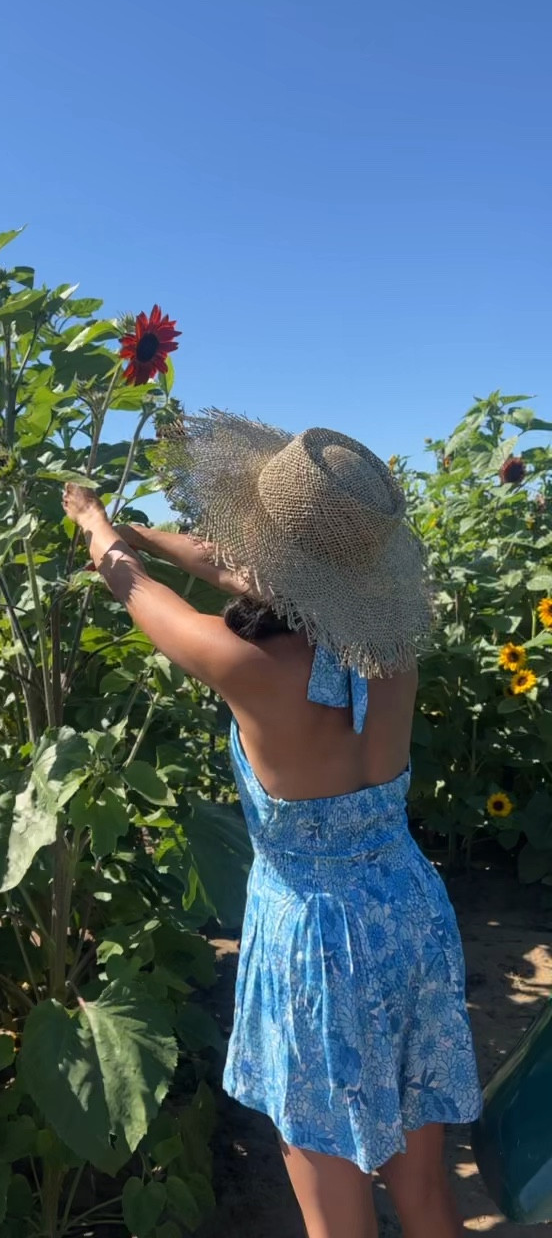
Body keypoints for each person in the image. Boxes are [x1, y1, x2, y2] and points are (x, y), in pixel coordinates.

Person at [62, 411, 482, 1238]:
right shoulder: (389, 647)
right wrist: (142, 533)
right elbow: (234, 571)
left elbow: (132, 589)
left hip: (317, 942)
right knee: (426, 1189)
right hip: (405, 914)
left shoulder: (245, 662)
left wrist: (96, 524)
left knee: (335, 1212)